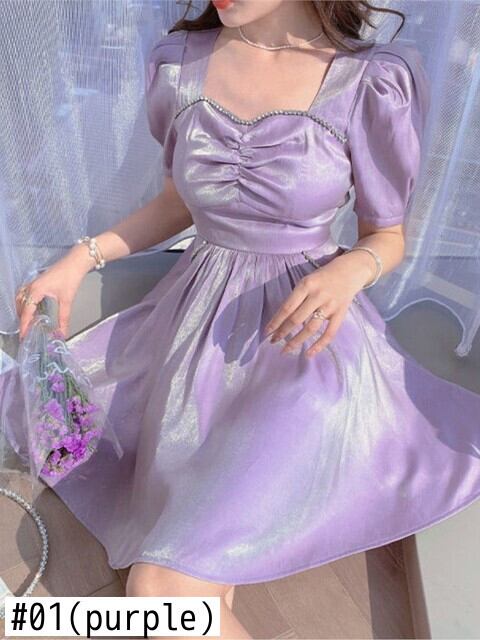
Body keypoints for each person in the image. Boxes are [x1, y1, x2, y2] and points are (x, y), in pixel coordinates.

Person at [12, 1, 480, 638]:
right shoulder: (180, 65)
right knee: (185, 573)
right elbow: (179, 202)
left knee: (158, 588)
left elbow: (388, 235)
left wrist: (350, 270)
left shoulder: (371, 81)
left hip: (303, 348)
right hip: (190, 337)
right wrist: (80, 258)